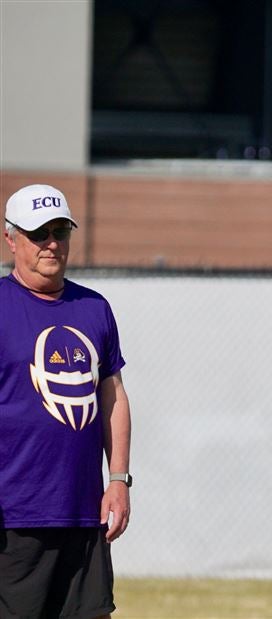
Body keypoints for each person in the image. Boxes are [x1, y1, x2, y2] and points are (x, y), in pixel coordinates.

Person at [0, 184, 132, 619]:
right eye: (40, 233)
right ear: (11, 238)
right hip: (13, 518)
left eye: (61, 231)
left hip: (82, 512)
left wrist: (118, 479)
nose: (52, 243)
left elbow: (112, 395)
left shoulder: (94, 308)